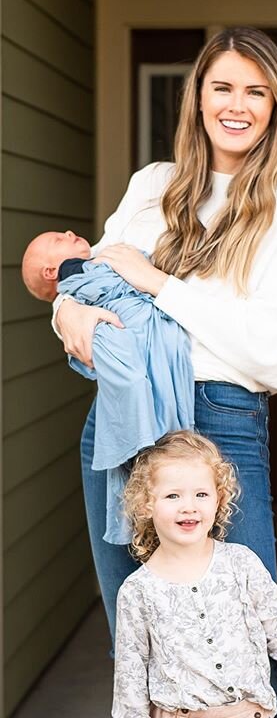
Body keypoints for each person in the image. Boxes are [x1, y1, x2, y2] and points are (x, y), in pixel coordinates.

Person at [54, 26, 277, 717]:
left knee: (254, 638)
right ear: (197, 98)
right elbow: (88, 283)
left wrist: (158, 284)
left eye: (257, 91)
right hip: (119, 422)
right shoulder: (152, 186)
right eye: (223, 87)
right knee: (139, 636)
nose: (238, 104)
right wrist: (67, 316)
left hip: (220, 420)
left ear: (275, 107)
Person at [113, 430, 277, 718]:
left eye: (201, 494)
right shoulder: (138, 590)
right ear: (146, 504)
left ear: (219, 499)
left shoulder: (241, 564)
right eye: (172, 495)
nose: (189, 506)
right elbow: (130, 678)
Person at [23, 229, 194, 544]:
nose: (70, 232)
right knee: (131, 381)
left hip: (134, 323)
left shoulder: (90, 265)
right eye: (58, 240)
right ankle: (146, 446)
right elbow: (103, 281)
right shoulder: (75, 273)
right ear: (52, 272)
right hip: (120, 327)